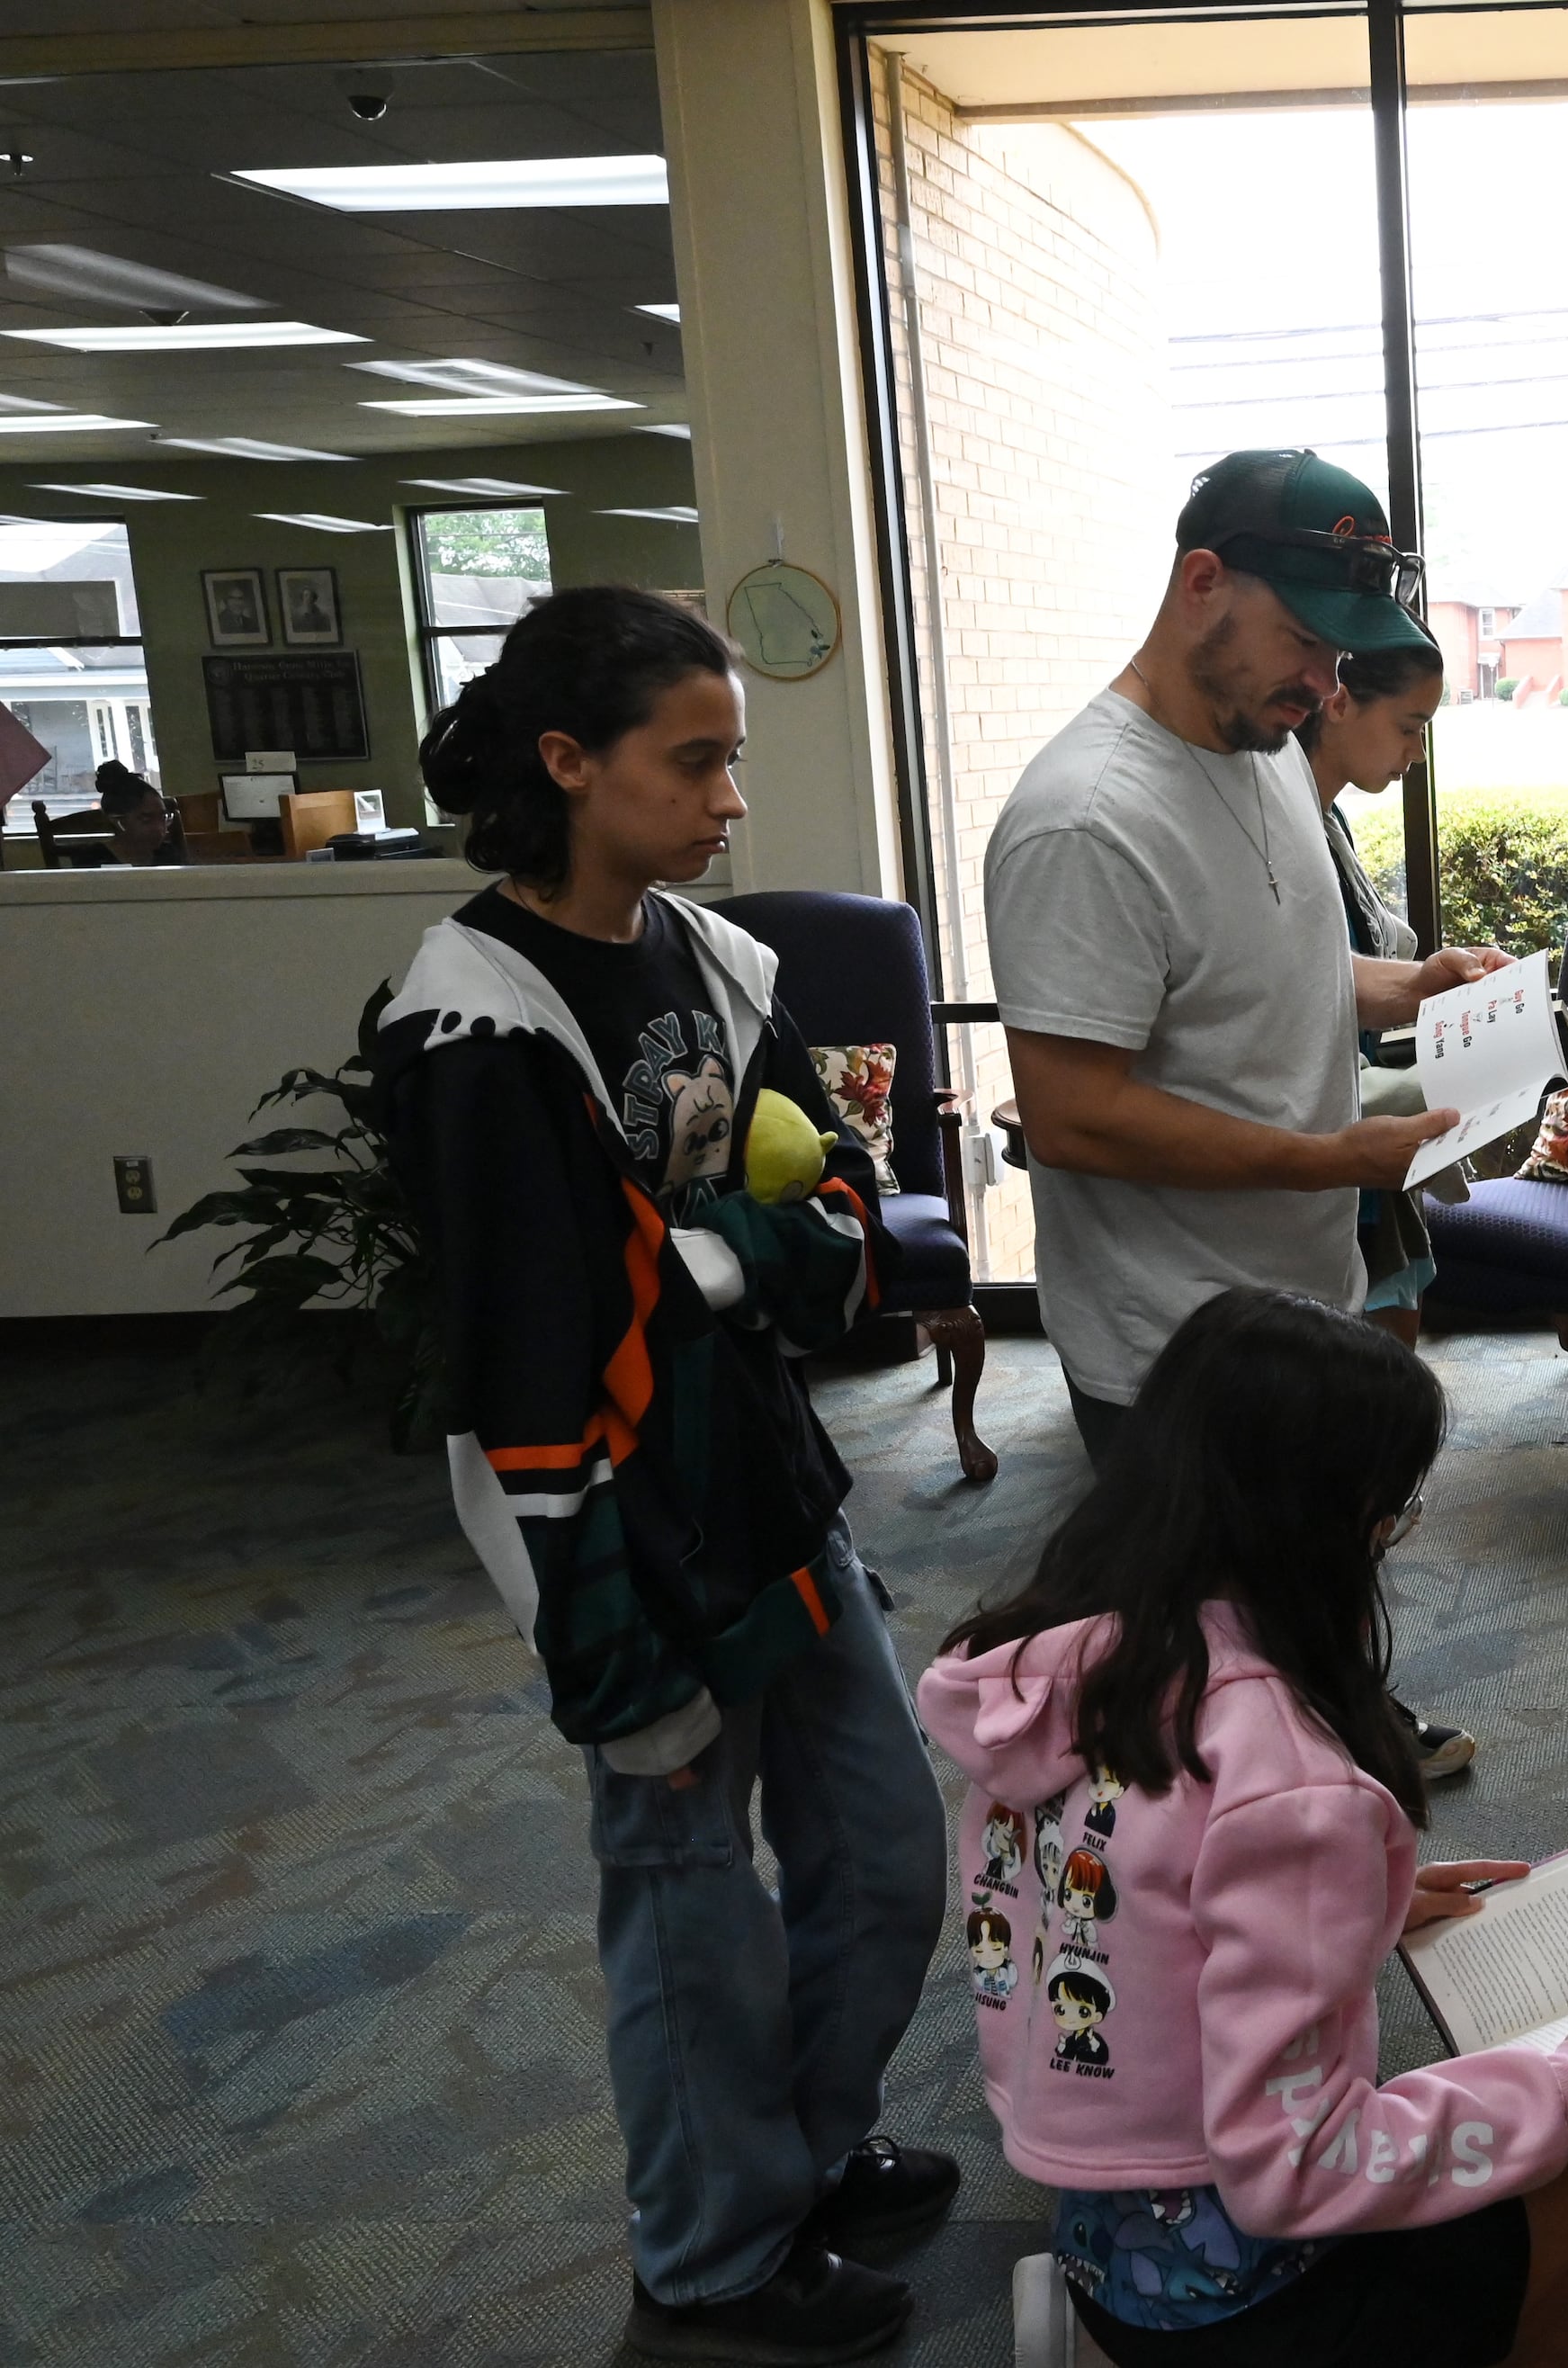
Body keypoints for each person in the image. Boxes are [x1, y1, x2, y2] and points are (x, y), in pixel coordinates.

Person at [372, 586, 954, 2366]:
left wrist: (704, 1255)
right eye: (692, 759)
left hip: (774, 1483)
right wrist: (734, 1251)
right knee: (690, 1890)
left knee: (882, 1844)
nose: (727, 798)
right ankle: (713, 2251)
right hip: (621, 1532)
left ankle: (797, 2146)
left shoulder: (713, 956)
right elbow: (533, 1362)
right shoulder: (469, 1020)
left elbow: (853, 1225)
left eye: (732, 760)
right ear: (567, 762)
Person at [916, 1288, 1568, 2368]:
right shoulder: (1287, 1779)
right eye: (1388, 1511)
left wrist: (1352, 1905)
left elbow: (1111, 1903)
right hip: (1247, 2301)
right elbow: (1296, 2168)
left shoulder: (1054, 1670)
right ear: (1330, 1519)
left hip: (1104, 2238)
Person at [985, 448, 1507, 1779]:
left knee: (1313, 1599)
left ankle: (1345, 1773)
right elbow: (1075, 1114)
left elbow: (1265, 975)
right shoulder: (1086, 822)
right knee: (1194, 1681)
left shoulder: (1268, 748)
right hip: (1177, 1349)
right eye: (1305, 643)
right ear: (1201, 583)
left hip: (1298, 1299)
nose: (1325, 686)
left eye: (1346, 660)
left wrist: (1412, 985)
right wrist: (1334, 1159)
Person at [1294, 641, 1452, 1342]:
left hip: (1349, 1092)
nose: (1415, 753)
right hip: (1318, 1111)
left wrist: (1428, 982)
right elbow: (1306, 980)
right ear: (1339, 701)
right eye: (1409, 726)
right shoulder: (1284, 828)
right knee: (1364, 1347)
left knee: (1389, 1327)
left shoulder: (1326, 818)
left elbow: (1332, 968)